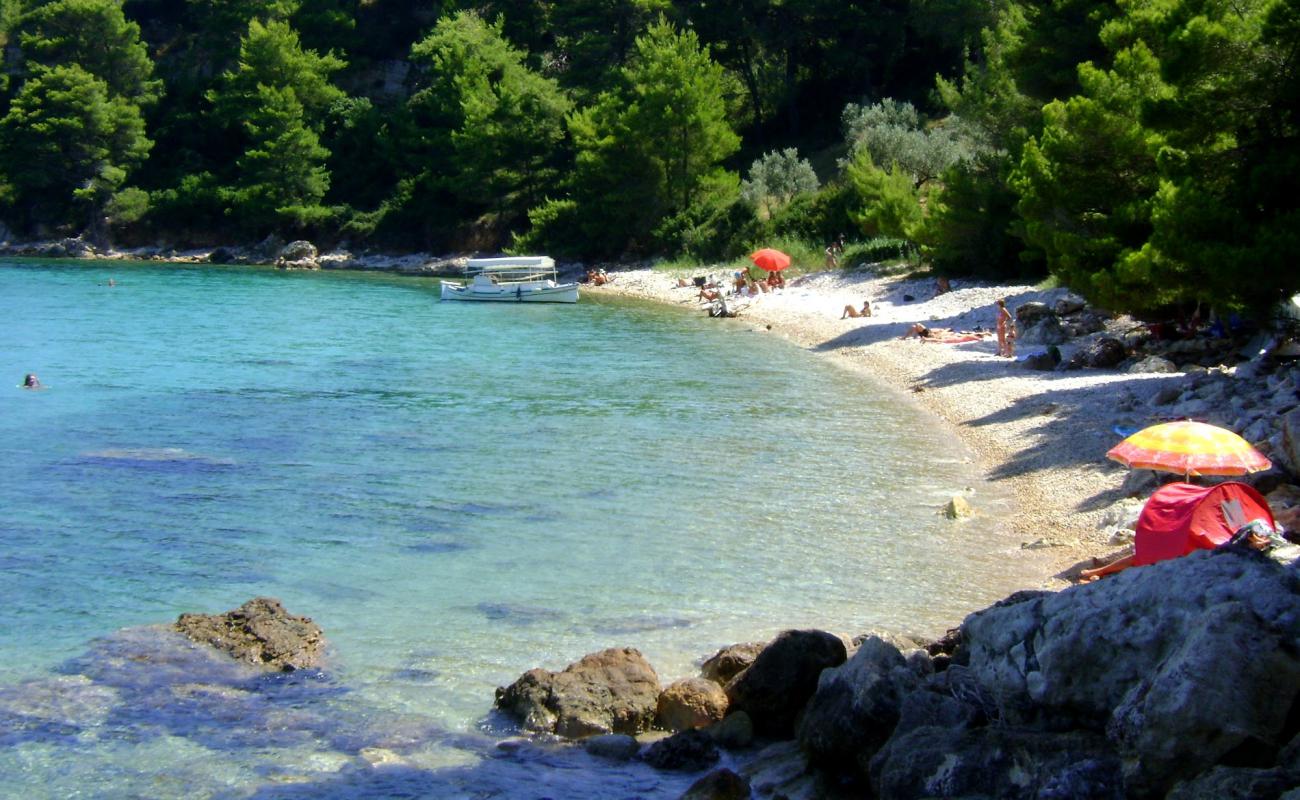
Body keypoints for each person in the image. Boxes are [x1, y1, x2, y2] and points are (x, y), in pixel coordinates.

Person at [1079, 520, 1280, 582]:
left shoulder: (1244, 556)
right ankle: (1101, 572)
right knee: (1140, 557)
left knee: (1141, 559)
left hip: (1193, 553)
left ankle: (1100, 572)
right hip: (1195, 546)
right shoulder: (1245, 545)